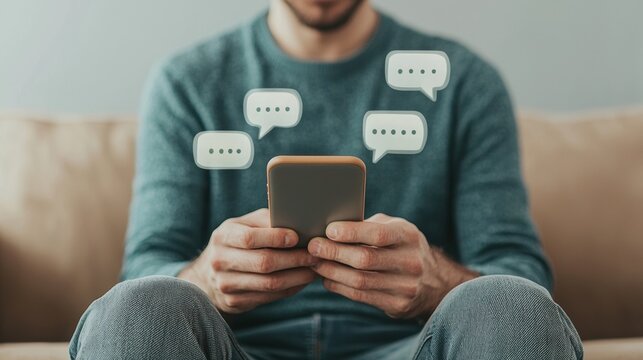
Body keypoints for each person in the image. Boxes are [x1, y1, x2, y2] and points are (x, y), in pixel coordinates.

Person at [69, 0, 583, 359]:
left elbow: (521, 273)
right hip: (235, 346)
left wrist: (435, 283)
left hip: (414, 347)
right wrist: (207, 277)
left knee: (511, 305)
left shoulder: (466, 83)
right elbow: (145, 268)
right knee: (138, 308)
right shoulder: (187, 83)